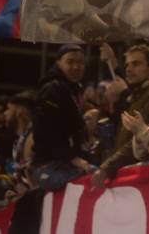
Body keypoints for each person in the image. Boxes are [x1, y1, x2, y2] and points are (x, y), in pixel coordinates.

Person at [92, 44, 149, 184]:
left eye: (135, 64)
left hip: (143, 176)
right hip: (131, 174)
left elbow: (138, 140)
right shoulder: (138, 93)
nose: (128, 69)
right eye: (127, 65)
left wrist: (107, 167)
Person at [32, 44, 92, 192]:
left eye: (80, 62)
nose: (76, 67)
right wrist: (74, 158)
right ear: (59, 63)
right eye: (70, 62)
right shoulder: (52, 89)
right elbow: (46, 131)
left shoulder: (71, 89)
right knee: (94, 180)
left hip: (64, 162)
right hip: (51, 165)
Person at [4, 91, 35, 191]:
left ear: (19, 111)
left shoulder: (32, 137)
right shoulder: (20, 139)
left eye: (8, 109)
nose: (5, 113)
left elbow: (33, 180)